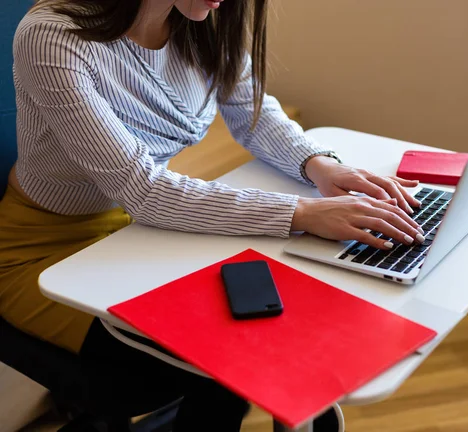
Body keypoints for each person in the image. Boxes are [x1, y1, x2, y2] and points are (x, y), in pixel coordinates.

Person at [0, 0, 426, 430]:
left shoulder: (196, 21)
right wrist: (303, 212)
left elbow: (252, 113)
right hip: (43, 249)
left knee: (251, 320)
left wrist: (320, 166)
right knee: (217, 355)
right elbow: (145, 189)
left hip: (138, 231)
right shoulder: (54, 36)